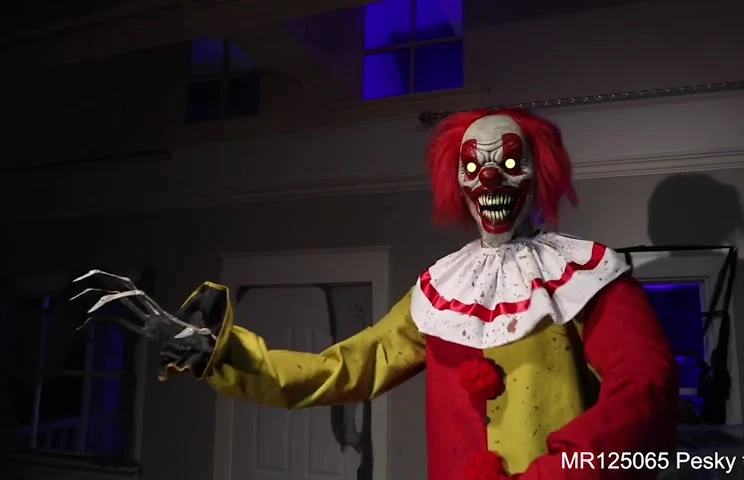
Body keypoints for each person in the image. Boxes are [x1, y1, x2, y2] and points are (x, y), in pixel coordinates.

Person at [73, 109, 679, 480]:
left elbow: (644, 391)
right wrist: (218, 353)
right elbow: (343, 368)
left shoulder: (588, 274)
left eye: (508, 163)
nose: (490, 178)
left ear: (536, 172)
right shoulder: (441, 288)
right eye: (473, 167)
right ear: (457, 183)